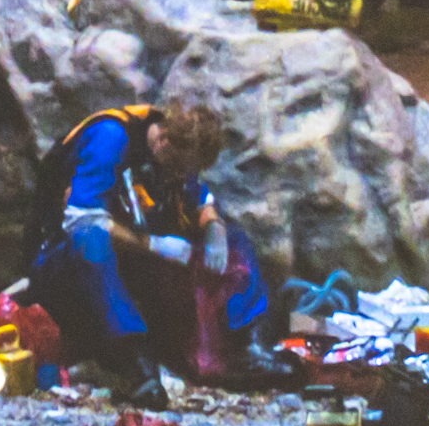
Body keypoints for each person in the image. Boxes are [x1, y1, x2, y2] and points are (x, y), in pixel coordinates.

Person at [24, 101, 300, 408]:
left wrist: (215, 228)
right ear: (164, 142)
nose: (181, 175)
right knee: (92, 242)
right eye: (180, 167)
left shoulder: (172, 159)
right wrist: (154, 245)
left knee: (233, 237)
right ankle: (135, 363)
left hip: (128, 261)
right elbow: (82, 220)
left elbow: (198, 196)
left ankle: (244, 347)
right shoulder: (110, 138)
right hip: (62, 263)